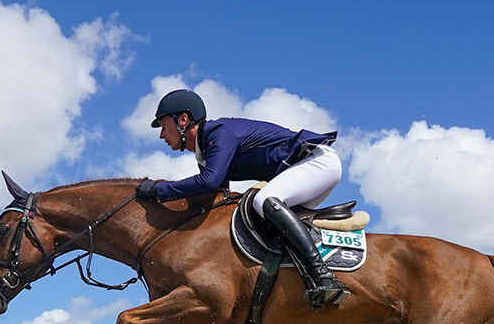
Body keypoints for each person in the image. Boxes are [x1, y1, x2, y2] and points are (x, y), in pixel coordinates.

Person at [135, 88, 349, 310]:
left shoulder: (218, 133)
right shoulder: (205, 153)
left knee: (263, 199)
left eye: (164, 126)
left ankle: (323, 276)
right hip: (306, 170)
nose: (161, 135)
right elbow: (212, 201)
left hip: (317, 163)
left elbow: (209, 181)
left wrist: (159, 190)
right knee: (267, 226)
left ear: (183, 120)